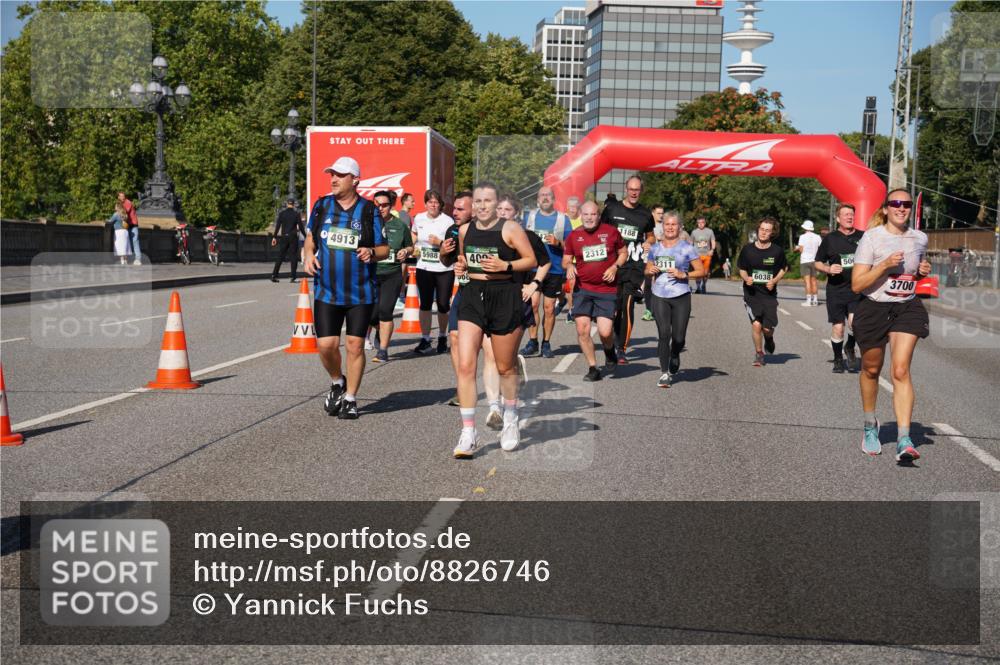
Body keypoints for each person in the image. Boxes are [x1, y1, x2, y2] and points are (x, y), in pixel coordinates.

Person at [451, 181, 536, 458]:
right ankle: (468, 432)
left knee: (505, 367)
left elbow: (530, 260)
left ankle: (510, 416)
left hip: (504, 296)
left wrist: (506, 266)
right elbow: (464, 260)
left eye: (488, 201)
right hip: (473, 296)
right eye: (478, 201)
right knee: (465, 365)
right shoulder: (465, 230)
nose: (482, 206)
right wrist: (461, 266)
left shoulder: (510, 228)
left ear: (497, 204)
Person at [303, 156, 389, 420]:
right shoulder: (321, 206)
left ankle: (351, 398)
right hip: (327, 291)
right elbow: (310, 239)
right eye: (332, 174)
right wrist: (308, 255)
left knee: (354, 345)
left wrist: (371, 252)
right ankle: (337, 380)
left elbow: (384, 250)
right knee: (326, 345)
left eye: (340, 175)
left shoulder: (368, 211)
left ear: (355, 180)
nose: (334, 179)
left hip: (359, 292)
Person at [851, 189, 931, 462]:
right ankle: (870, 425)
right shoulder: (872, 237)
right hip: (873, 307)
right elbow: (857, 284)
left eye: (906, 204)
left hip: (906, 307)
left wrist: (920, 272)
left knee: (900, 369)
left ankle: (904, 439)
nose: (902, 208)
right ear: (885, 209)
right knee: (872, 369)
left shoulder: (920, 238)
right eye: (896, 204)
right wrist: (884, 265)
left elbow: (914, 273)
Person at [563, 200, 627, 381]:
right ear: (581, 216)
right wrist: (568, 266)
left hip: (606, 290)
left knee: (605, 332)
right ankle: (593, 367)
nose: (589, 218)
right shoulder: (574, 236)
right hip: (583, 289)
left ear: (599, 216)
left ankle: (609, 351)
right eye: (586, 214)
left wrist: (615, 267)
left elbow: (624, 253)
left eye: (593, 214)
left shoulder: (611, 232)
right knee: (582, 330)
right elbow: (566, 259)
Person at [644, 212, 704, 388]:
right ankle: (664, 373)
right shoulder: (655, 248)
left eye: (673, 224)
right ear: (663, 226)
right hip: (659, 295)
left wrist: (683, 274)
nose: (670, 227)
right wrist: (651, 270)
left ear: (680, 227)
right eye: (667, 224)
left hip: (681, 296)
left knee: (678, 338)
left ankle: (675, 353)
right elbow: (647, 270)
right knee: (664, 334)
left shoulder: (687, 248)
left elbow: (701, 271)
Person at [600, 175, 655, 364]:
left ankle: (621, 349)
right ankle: (612, 342)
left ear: (641, 191)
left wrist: (649, 243)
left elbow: (651, 236)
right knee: (613, 309)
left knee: (627, 306)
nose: (634, 192)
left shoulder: (645, 214)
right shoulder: (612, 209)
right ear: (626, 189)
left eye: (637, 189)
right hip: (612, 267)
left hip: (633, 267)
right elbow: (601, 233)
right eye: (631, 189)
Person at [520, 186, 571, 359]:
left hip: (554, 270)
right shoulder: (529, 217)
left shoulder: (563, 219)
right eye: (542, 195)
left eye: (548, 195)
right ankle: (532, 341)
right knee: (532, 305)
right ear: (537, 199)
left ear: (554, 198)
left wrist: (558, 243)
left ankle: (546, 343)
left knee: (549, 309)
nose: (545, 198)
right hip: (533, 268)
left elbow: (570, 246)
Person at [815, 203, 864, 373]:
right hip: (836, 289)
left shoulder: (863, 237)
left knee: (856, 324)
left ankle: (849, 347)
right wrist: (828, 269)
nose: (849, 217)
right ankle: (837, 359)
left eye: (851, 214)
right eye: (845, 215)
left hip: (857, 288)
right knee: (838, 327)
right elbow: (817, 262)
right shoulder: (830, 239)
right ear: (838, 218)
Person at [369, 190, 415, 362]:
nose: (381, 208)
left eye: (385, 205)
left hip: (391, 274)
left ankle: (383, 350)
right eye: (377, 205)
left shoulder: (399, 225)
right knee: (371, 315)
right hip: (370, 275)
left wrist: (405, 251)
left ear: (391, 206)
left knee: (385, 311)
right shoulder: (366, 224)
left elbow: (410, 247)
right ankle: (380, 329)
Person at [737, 218, 788, 367]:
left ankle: (769, 339)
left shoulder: (777, 251)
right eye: (762, 229)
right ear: (758, 229)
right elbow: (742, 268)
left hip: (769, 295)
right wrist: (746, 278)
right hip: (751, 294)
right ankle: (759, 354)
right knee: (757, 325)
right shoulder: (748, 249)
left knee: (767, 328)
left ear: (772, 233)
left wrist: (774, 281)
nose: (764, 232)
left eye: (767, 230)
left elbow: (783, 268)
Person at [411, 189, 456, 355]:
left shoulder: (447, 221)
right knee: (425, 303)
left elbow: (453, 244)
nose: (433, 205)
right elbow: (414, 234)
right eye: (430, 202)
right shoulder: (418, 218)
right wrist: (411, 246)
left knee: (443, 304)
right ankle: (425, 338)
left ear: (440, 205)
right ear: (425, 204)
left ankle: (443, 336)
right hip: (424, 266)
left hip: (444, 268)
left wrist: (440, 242)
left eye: (436, 202)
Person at [440, 191, 473, 406]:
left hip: (487, 292)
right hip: (463, 290)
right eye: (454, 208)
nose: (455, 212)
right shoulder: (451, 230)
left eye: (461, 209)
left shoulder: (486, 229)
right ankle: (463, 388)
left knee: (488, 347)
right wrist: (443, 252)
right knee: (454, 337)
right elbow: (446, 263)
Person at [271, 198, 305, 283]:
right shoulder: (296, 214)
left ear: (287, 204)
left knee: (280, 256)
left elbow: (278, 226)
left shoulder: (282, 213)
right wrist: (306, 236)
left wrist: (274, 237)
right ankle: (293, 277)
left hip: (284, 236)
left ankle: (274, 275)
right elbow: (300, 227)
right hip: (293, 237)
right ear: (293, 204)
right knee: (293, 257)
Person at [641, 204, 666, 322]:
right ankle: (648, 310)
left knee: (660, 283)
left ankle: (659, 309)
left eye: (662, 213)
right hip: (648, 257)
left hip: (662, 257)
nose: (661, 215)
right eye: (658, 213)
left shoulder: (666, 225)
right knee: (648, 282)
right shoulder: (647, 224)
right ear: (653, 213)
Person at [564, 195, 583, 323]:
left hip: (581, 258)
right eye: (570, 207)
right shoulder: (563, 220)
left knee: (576, 286)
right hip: (567, 258)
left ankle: (573, 310)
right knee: (568, 287)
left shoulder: (583, 221)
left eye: (575, 207)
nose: (572, 210)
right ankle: (568, 306)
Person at [795, 219, 823, 306]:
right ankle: (815, 300)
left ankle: (808, 301)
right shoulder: (818, 237)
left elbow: (801, 250)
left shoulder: (802, 237)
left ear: (805, 228)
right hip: (814, 261)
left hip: (805, 261)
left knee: (807, 281)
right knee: (814, 281)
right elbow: (821, 249)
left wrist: (796, 249)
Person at [689, 217, 716, 294]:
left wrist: (712, 250)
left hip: (707, 254)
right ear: (697, 223)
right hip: (697, 255)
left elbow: (713, 241)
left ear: (705, 223)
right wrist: (690, 252)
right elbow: (691, 243)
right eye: (699, 223)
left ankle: (703, 284)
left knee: (705, 273)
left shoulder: (710, 231)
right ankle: (698, 287)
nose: (701, 224)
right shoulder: (694, 232)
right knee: (698, 272)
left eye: (702, 222)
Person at [117, 191, 141, 265]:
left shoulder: (128, 202)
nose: (122, 197)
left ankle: (138, 259)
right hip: (126, 225)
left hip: (133, 224)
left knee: (135, 241)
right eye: (120, 196)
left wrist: (117, 212)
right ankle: (127, 259)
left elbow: (124, 212)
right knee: (127, 242)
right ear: (118, 197)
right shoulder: (120, 204)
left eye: (123, 196)